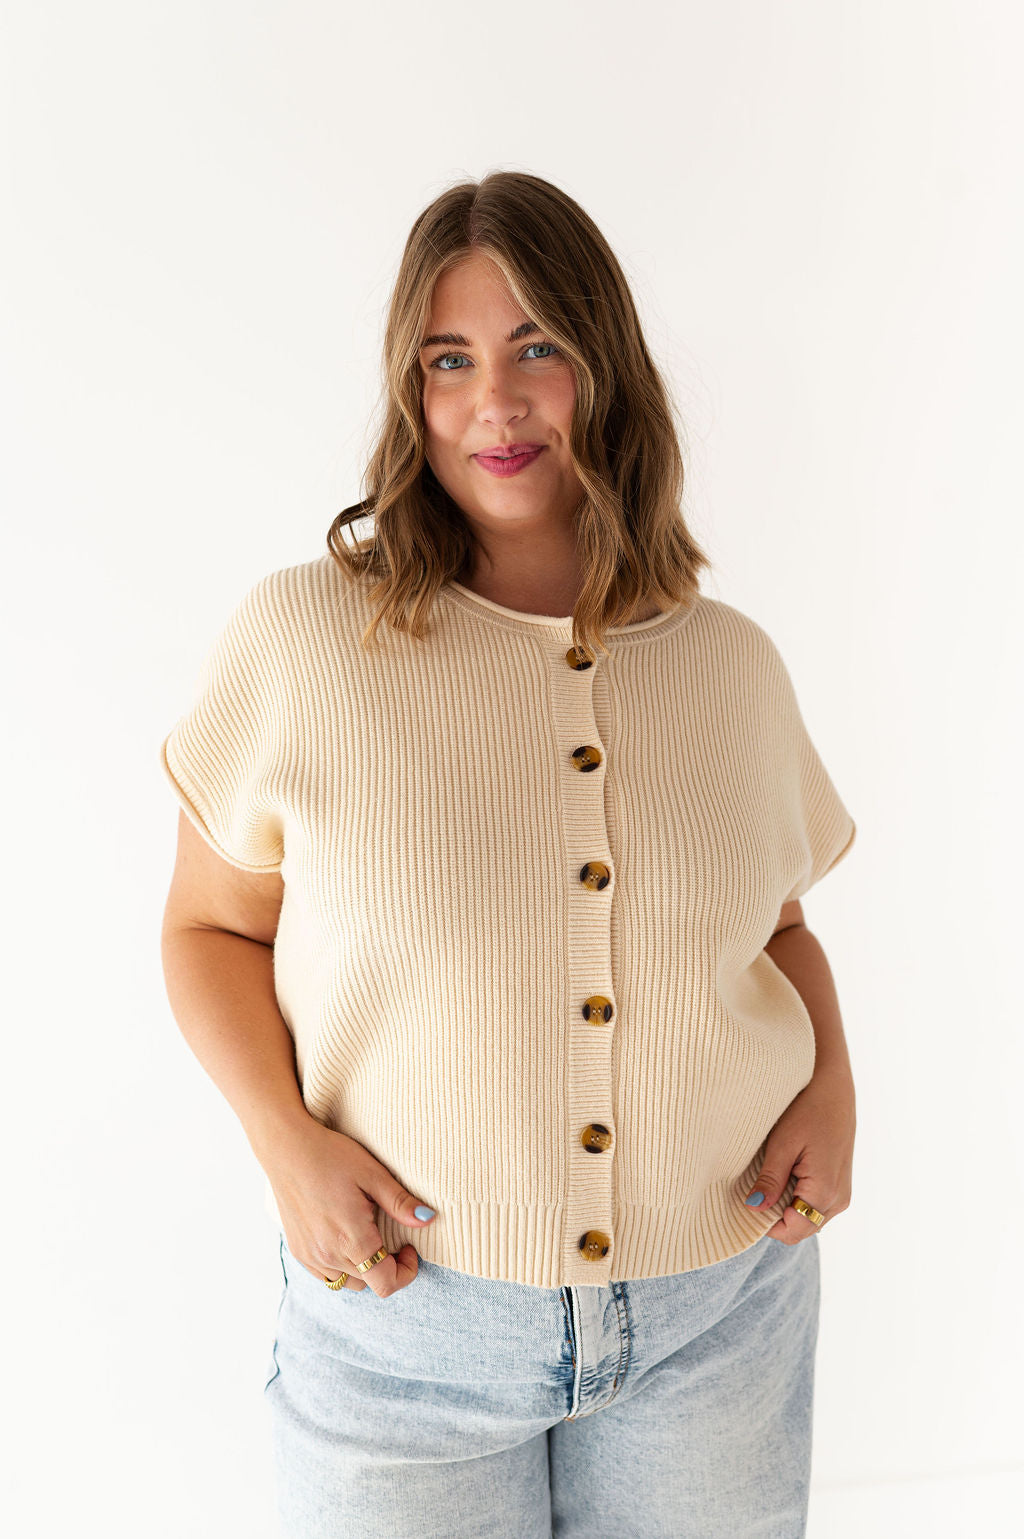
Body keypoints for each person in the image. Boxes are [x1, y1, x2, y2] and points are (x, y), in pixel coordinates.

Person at [159, 171, 857, 1539]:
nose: (496, 401)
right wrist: (286, 1146)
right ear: (408, 391)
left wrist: (833, 1087)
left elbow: (778, 931)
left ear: (606, 367)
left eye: (537, 346)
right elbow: (209, 931)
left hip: (720, 1318)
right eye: (449, 360)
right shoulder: (309, 640)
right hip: (405, 1323)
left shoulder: (729, 663)